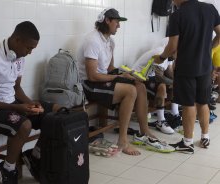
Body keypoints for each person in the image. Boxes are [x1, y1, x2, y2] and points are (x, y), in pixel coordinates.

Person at [78, 8, 174, 156]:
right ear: (107, 20)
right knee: (130, 91)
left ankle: (144, 131)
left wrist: (126, 73)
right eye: (116, 22)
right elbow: (92, 76)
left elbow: (109, 68)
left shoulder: (110, 42)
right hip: (89, 85)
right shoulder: (93, 40)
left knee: (139, 85)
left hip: (101, 80)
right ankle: (122, 140)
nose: (119, 25)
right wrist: (118, 78)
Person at [0, 21, 58, 183]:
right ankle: (7, 169)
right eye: (28, 48)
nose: (30, 52)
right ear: (17, 40)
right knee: (24, 125)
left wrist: (31, 103)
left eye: (33, 49)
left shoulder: (19, 57)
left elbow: (17, 88)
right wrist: (16, 106)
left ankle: (35, 157)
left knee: (53, 113)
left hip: (12, 104)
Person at [154, 0, 220, 154]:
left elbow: (172, 46)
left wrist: (162, 57)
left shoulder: (178, 15)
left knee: (189, 104)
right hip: (205, 65)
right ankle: (205, 137)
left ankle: (187, 142)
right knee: (202, 102)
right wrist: (210, 47)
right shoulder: (210, 9)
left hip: (186, 66)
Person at [132, 38, 181, 134]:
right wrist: (175, 83)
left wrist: (177, 81)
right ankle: (160, 121)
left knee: (174, 84)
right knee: (162, 86)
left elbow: (170, 72)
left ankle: (175, 114)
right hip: (137, 78)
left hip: (147, 78)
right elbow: (159, 77)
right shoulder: (161, 52)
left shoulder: (170, 56)